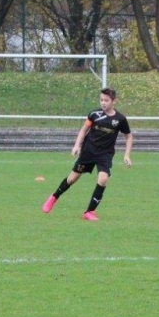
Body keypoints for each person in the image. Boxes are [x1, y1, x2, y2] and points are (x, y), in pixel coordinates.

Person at [41, 87, 133, 221]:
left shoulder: (120, 119)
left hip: (105, 154)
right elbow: (84, 130)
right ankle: (54, 197)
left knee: (103, 179)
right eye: (101, 100)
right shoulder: (94, 114)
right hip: (88, 151)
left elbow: (128, 136)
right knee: (72, 179)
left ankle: (89, 212)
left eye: (106, 100)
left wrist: (127, 155)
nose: (103, 103)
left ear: (114, 101)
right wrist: (76, 145)